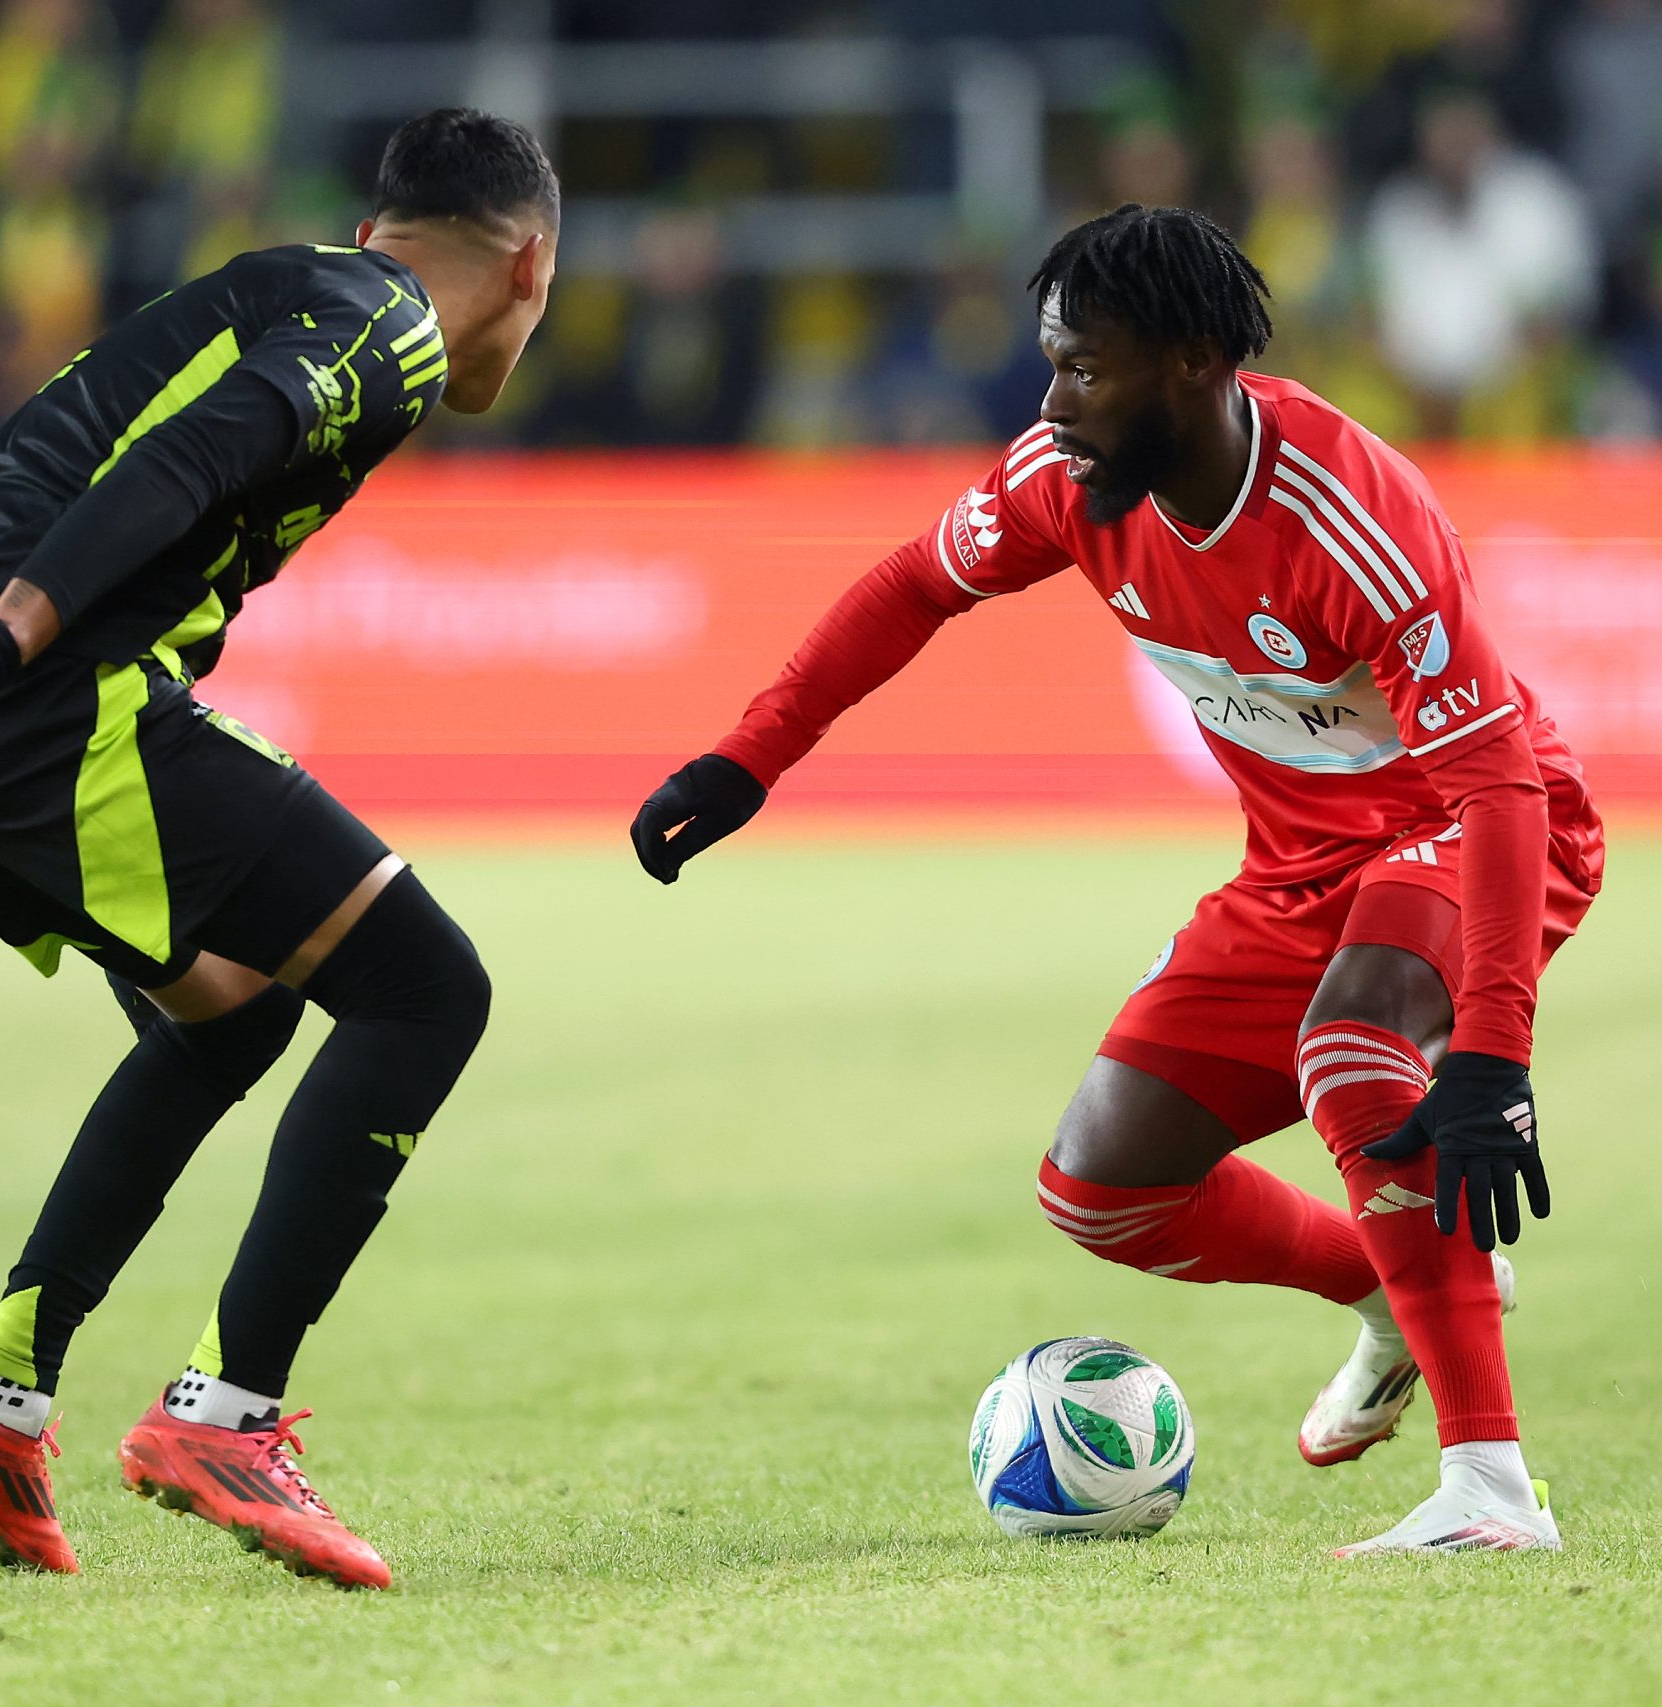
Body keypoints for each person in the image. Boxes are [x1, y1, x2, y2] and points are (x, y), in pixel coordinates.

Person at [632, 204, 1604, 1556]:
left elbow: (1498, 786)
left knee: (1354, 1046)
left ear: (1193, 362)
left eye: (1085, 368)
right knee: (1102, 1186)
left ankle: (1490, 1488)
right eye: (1053, 362)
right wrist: (753, 756)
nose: (1052, 402)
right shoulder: (1067, 479)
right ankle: (1399, 1287)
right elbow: (914, 584)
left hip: (1475, 825)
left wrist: (1493, 1054)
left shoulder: (1347, 515)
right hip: (1301, 865)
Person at [0, 109, 558, 1587]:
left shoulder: (302, 284)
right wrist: (1, 650)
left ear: (375, 224)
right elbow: (189, 461)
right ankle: (226, 1418)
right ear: (530, 264)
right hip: (34, 696)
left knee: (234, 1011)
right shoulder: (395, 327)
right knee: (427, 988)